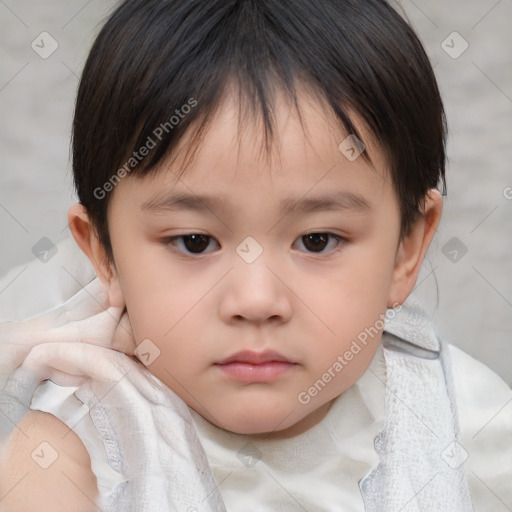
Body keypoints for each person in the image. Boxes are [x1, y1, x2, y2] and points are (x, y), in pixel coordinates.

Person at [1, 0, 511, 510]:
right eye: (195, 242)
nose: (256, 300)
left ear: (407, 248)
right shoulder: (62, 455)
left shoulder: (473, 433)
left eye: (317, 240)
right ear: (103, 256)